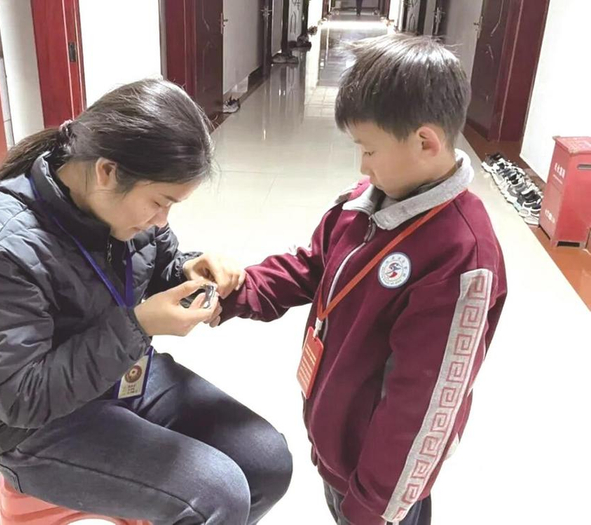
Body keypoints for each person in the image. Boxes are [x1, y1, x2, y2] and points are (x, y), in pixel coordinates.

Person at [0, 79, 292, 525]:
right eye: (160, 202)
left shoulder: (119, 207)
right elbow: (21, 399)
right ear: (107, 171)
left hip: (122, 376)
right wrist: (138, 327)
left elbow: (154, 265)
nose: (162, 220)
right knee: (218, 494)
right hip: (35, 429)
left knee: (269, 461)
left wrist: (189, 269)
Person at [217, 35, 507, 525]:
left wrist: (374, 506)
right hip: (341, 444)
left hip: (383, 484)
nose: (362, 164)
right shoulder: (364, 201)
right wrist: (239, 290)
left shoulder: (462, 256)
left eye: (369, 149)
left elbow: (424, 403)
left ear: (426, 142)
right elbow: (314, 265)